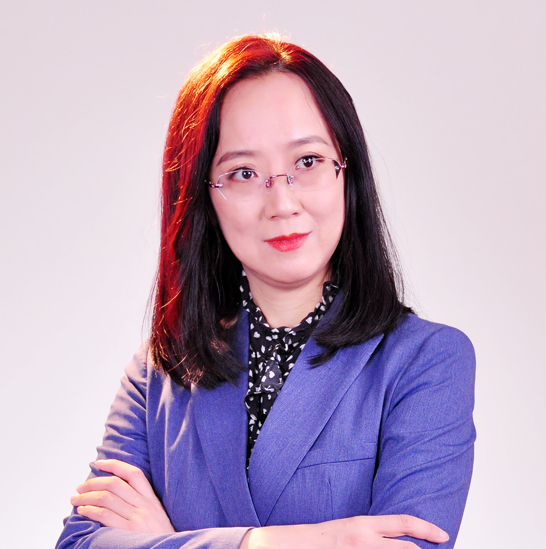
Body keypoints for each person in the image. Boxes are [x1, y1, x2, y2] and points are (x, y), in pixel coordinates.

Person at [56, 33, 475, 549]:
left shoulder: (427, 362)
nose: (282, 204)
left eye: (307, 162)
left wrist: (172, 542)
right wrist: (295, 541)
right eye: (243, 173)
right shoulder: (158, 373)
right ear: (203, 197)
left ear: (347, 172)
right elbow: (81, 542)